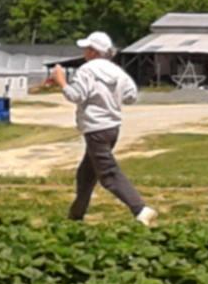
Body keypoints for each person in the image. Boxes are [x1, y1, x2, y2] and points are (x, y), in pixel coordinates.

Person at [47, 32, 155, 226]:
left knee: (108, 174)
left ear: (93, 51)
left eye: (86, 48)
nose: (84, 52)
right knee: (86, 174)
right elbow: (131, 96)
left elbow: (75, 96)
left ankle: (140, 209)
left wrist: (61, 80)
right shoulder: (117, 71)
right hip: (112, 127)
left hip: (95, 128)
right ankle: (75, 217)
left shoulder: (87, 70)